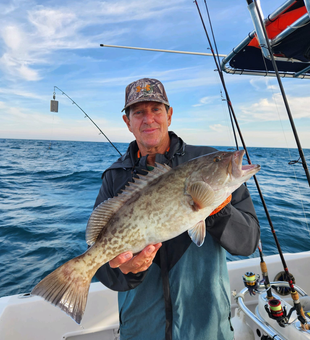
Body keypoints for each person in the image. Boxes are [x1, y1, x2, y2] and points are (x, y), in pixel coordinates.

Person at [93, 78, 260, 340]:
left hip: (207, 327)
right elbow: (102, 265)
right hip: (141, 330)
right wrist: (128, 271)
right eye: (139, 112)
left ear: (169, 115)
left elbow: (248, 242)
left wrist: (216, 207)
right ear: (128, 122)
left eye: (156, 110)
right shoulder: (115, 178)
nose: (149, 119)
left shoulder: (210, 161)